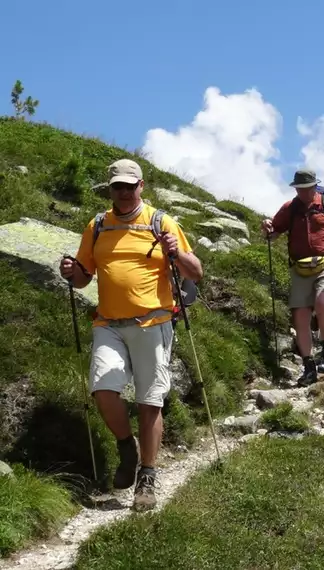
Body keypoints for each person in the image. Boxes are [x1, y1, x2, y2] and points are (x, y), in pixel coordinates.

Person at [59, 158, 203, 512]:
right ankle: (127, 446)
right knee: (103, 391)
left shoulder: (160, 222)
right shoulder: (96, 225)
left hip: (153, 322)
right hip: (107, 322)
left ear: (141, 186)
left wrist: (175, 251)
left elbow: (195, 272)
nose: (123, 192)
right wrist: (71, 271)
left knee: (149, 401)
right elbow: (82, 279)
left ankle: (148, 476)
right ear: (110, 188)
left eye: (129, 186)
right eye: (117, 187)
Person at [261, 169, 324, 385]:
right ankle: (308, 365)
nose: (303, 193)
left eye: (307, 188)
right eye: (299, 189)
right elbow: (274, 233)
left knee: (322, 303)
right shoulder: (290, 208)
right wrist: (267, 228)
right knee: (300, 317)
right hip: (299, 268)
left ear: (315, 186)